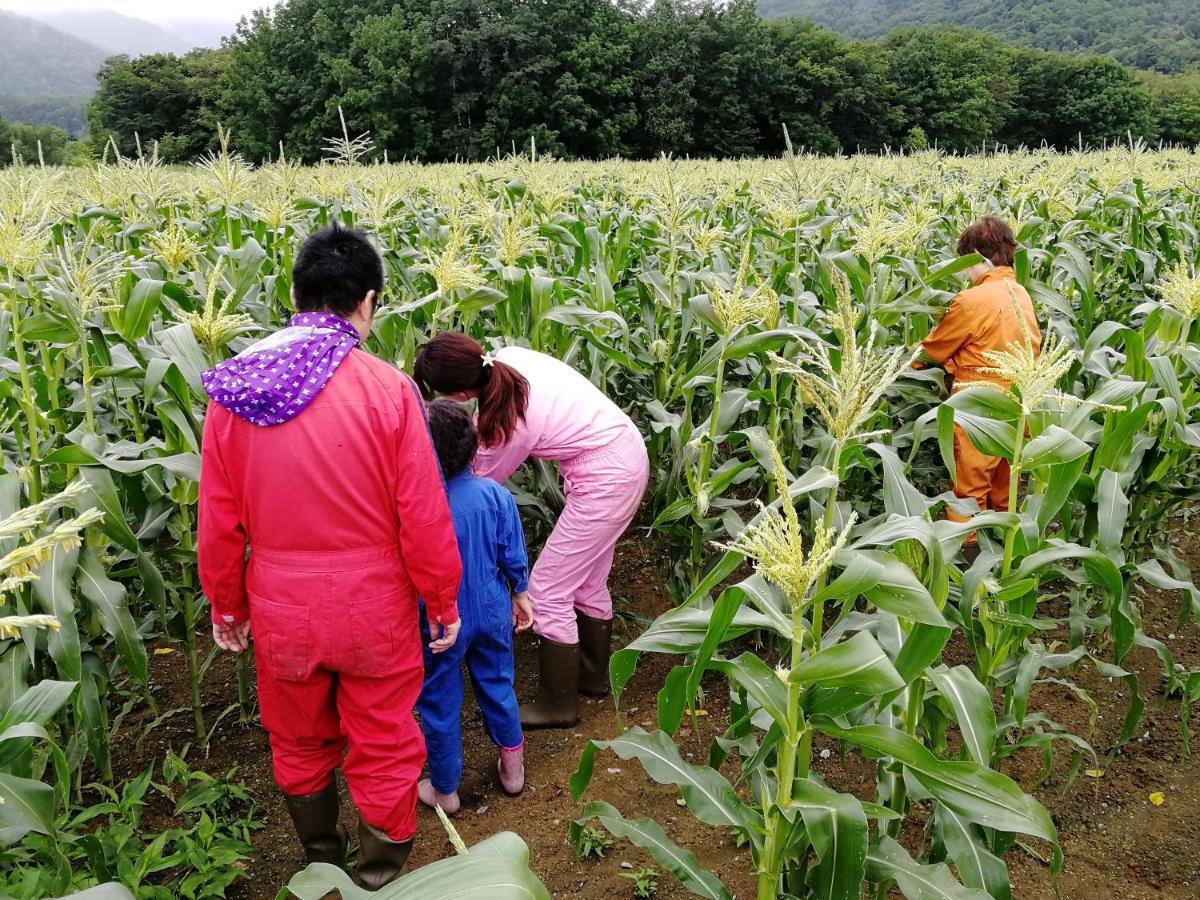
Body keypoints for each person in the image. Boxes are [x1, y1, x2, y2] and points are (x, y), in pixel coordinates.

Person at [197, 225, 462, 888]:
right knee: (384, 742)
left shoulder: (236, 388)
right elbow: (422, 514)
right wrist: (443, 600)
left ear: (293, 293)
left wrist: (227, 604)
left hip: (283, 606)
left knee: (298, 740)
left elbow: (219, 521)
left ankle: (321, 862)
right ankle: (378, 874)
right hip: (375, 606)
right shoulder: (389, 388)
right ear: (368, 302)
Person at [413, 334, 650, 729]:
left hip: (606, 480)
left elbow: (472, 483)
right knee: (586, 581)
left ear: (458, 392)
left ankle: (557, 705)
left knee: (548, 590)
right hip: (623, 456)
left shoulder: (510, 423)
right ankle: (591, 679)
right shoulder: (508, 359)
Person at [415, 399, 534, 814]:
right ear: (472, 446)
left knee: (440, 701)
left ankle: (445, 791)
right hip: (491, 607)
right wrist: (520, 594)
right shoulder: (494, 495)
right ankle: (513, 770)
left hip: (440, 619)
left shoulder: (418, 507)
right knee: (498, 684)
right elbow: (512, 555)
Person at [917, 217, 1042, 556]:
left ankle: (964, 560)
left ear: (975, 258)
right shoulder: (1021, 294)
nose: (965, 274)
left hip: (978, 409)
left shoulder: (971, 300)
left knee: (968, 492)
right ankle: (1004, 556)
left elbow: (932, 351)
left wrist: (907, 366)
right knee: (1004, 489)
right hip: (1017, 407)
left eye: (965, 264)